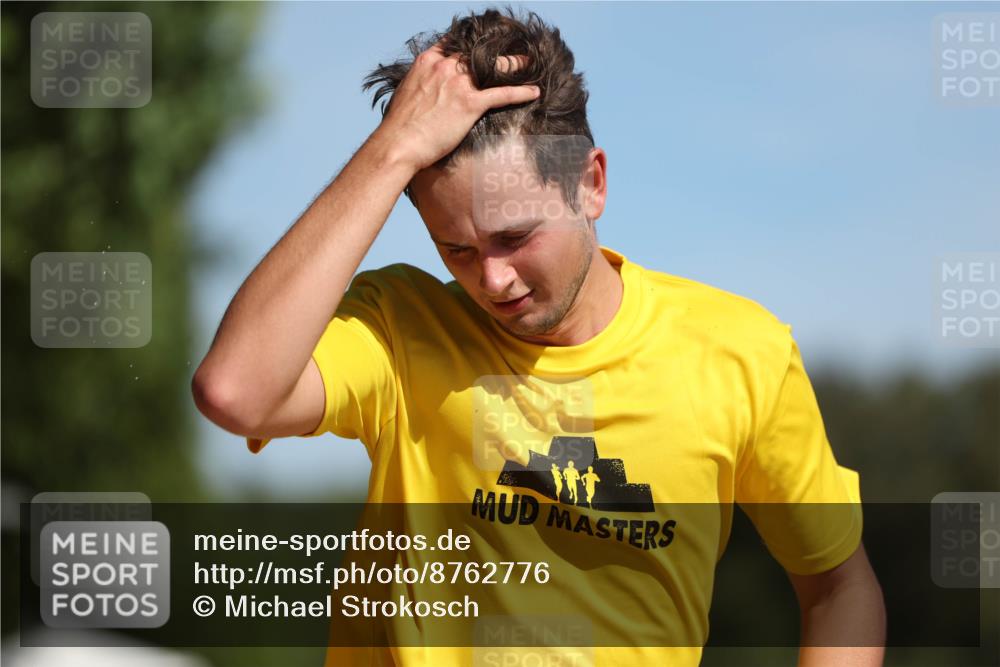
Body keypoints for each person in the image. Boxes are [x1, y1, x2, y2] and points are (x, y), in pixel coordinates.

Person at [192, 6, 885, 666]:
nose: (493, 279)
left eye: (515, 236)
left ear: (592, 184)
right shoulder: (398, 328)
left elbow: (840, 587)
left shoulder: (743, 353)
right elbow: (236, 391)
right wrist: (393, 149)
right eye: (457, 249)